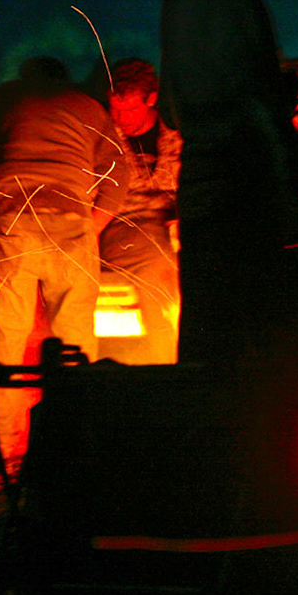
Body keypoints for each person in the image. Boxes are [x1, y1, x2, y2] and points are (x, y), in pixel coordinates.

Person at [159, 0, 298, 521]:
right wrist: (287, 175)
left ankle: (216, 486)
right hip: (248, 186)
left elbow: (179, 105)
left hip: (208, 184)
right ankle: (290, 480)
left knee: (216, 341)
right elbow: (244, 98)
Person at [0, 56, 126, 461]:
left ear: (26, 76)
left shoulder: (2, 100)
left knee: (5, 337)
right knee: (75, 343)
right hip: (71, 221)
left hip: (11, 219)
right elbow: (119, 174)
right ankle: (74, 444)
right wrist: (90, 225)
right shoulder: (88, 107)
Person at [97, 58, 181, 365]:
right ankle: (163, 361)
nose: (120, 118)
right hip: (123, 229)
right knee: (155, 265)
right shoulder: (101, 139)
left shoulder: (178, 136)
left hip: (172, 230)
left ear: (152, 99)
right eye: (115, 109)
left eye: (130, 109)